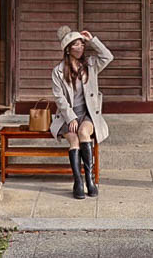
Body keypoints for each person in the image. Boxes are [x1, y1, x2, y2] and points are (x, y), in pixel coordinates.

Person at [50, 25, 113, 199]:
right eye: (76, 44)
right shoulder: (57, 71)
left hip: (87, 113)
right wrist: (70, 117)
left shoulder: (91, 64)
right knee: (74, 138)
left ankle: (89, 179)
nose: (81, 47)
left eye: (82, 44)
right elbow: (59, 98)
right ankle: (78, 182)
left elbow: (108, 56)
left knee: (84, 132)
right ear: (68, 49)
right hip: (66, 115)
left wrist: (92, 40)